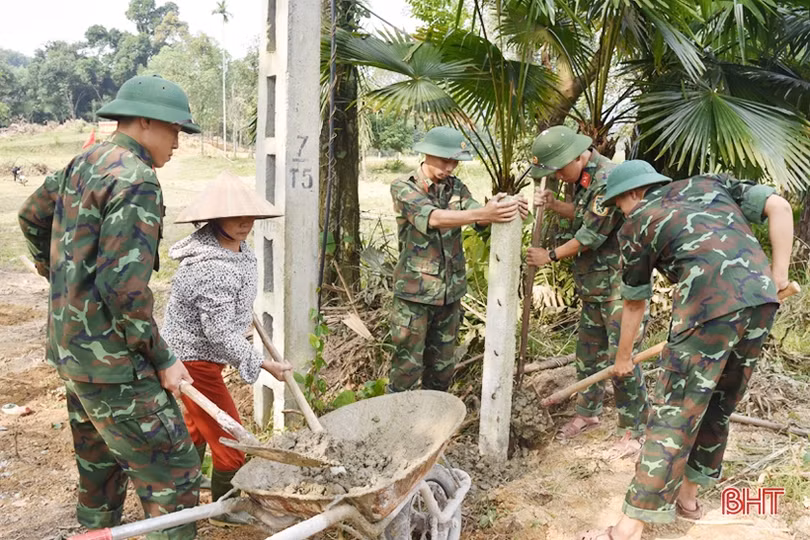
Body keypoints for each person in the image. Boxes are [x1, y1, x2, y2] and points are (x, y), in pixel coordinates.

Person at [18, 75, 202, 539]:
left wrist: (59, 276)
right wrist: (163, 357)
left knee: (99, 476)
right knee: (174, 475)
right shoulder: (136, 178)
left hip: (73, 356)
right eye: (174, 130)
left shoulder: (85, 161)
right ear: (144, 121)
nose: (178, 143)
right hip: (116, 364)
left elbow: (31, 215)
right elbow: (124, 287)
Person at [578, 160, 793, 540]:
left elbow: (632, 303)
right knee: (719, 403)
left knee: (673, 414)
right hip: (761, 299)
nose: (620, 212)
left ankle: (628, 528)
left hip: (706, 309)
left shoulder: (638, 220)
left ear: (632, 193)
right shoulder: (709, 183)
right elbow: (779, 205)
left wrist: (623, 357)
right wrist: (779, 276)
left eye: (618, 204)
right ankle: (689, 499)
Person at [162, 170, 292, 526]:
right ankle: (224, 509)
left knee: (193, 432)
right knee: (233, 440)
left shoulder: (235, 250)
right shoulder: (210, 267)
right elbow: (218, 332)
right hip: (194, 361)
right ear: (214, 218)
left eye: (249, 215)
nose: (245, 222)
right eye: (235, 216)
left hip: (202, 356)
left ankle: (178, 499)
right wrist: (264, 365)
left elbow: (230, 314)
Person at [526, 126, 649, 453]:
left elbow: (590, 236)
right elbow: (584, 217)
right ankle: (589, 414)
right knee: (588, 354)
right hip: (593, 288)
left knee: (621, 359)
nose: (557, 177)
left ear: (576, 156)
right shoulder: (582, 179)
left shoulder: (608, 179)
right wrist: (554, 205)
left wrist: (548, 256)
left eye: (557, 170)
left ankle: (634, 429)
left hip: (617, 289)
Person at [388, 126, 528, 393]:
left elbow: (476, 213)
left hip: (449, 296)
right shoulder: (404, 187)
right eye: (445, 160)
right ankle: (396, 427)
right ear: (428, 154)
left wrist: (500, 207)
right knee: (406, 371)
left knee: (441, 371)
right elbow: (434, 218)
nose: (450, 167)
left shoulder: (455, 188)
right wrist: (485, 213)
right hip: (414, 297)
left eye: (455, 161)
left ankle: (436, 424)